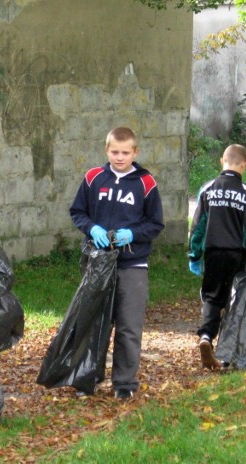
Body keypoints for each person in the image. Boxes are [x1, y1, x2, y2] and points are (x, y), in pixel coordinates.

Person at [70, 127, 164, 400]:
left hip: (132, 264)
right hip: (98, 263)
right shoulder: (93, 178)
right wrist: (92, 229)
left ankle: (124, 383)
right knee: (95, 322)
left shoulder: (146, 182)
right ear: (106, 150)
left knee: (129, 325)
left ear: (135, 152)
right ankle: (88, 377)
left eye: (125, 153)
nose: (119, 157)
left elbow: (156, 223)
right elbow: (77, 212)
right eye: (114, 152)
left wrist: (133, 234)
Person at [188, 144, 246, 370]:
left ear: (222, 161)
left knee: (212, 297)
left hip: (213, 253)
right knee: (235, 301)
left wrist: (194, 255)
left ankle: (206, 337)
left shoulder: (208, 188)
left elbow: (197, 226)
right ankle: (229, 355)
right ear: (244, 165)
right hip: (236, 256)